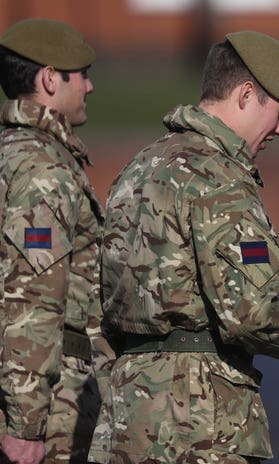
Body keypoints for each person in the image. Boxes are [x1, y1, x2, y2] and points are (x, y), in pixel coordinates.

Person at [88, 31, 279, 464]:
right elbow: (249, 316)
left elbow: (96, 307)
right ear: (247, 95)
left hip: (125, 416)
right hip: (198, 423)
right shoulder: (220, 178)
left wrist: (124, 391)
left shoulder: (136, 169)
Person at [0, 18, 108, 464]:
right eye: (80, 74)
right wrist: (27, 425)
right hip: (47, 403)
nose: (90, 86)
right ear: (49, 78)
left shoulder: (10, 152)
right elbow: (33, 297)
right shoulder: (45, 170)